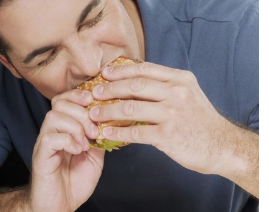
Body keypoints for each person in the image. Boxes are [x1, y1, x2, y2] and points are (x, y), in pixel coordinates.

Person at [0, 0, 259, 211]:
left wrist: (225, 147)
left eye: (94, 19)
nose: (90, 65)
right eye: (46, 58)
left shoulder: (243, 30)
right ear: (10, 65)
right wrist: (28, 208)